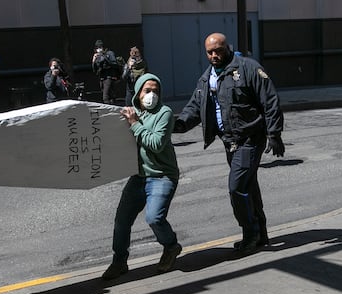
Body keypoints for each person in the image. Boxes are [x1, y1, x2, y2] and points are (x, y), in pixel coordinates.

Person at [174, 32, 284, 255]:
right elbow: (194, 108)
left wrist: (274, 134)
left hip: (250, 139)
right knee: (248, 187)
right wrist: (176, 125)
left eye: (218, 50)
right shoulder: (207, 78)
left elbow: (270, 99)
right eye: (210, 52)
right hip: (229, 142)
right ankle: (260, 234)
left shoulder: (248, 68)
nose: (214, 55)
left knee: (236, 188)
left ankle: (250, 234)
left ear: (227, 48)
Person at [102, 72, 182, 280]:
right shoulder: (131, 112)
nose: (151, 95)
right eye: (147, 90)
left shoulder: (164, 113)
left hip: (162, 175)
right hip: (139, 177)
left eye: (156, 91)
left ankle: (171, 246)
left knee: (154, 218)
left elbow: (156, 143)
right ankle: (119, 261)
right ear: (138, 93)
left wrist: (135, 124)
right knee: (122, 220)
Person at [92, 40, 121, 104]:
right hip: (102, 77)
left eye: (100, 47)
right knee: (109, 94)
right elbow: (95, 70)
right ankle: (113, 105)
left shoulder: (109, 53)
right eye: (97, 48)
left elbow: (114, 64)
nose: (99, 49)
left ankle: (108, 108)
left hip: (109, 77)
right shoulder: (97, 56)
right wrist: (93, 61)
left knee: (105, 96)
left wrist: (105, 58)